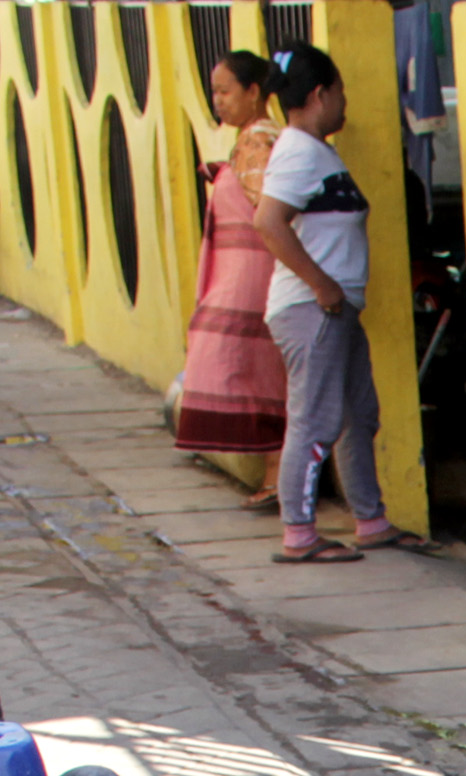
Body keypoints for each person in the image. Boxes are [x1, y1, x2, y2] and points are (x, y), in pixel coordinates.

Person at [253, 45, 416, 563]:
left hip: (333, 310)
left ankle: (371, 519)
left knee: (356, 414)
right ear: (321, 94)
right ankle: (299, 533)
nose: (346, 102)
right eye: (341, 91)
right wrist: (322, 285)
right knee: (316, 419)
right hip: (313, 309)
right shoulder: (299, 151)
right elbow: (268, 222)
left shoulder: (314, 150)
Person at [171, 49, 287, 498]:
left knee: (253, 370)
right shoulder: (253, 139)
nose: (217, 100)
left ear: (254, 92)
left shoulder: (259, 141)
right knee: (264, 374)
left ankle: (279, 477)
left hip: (255, 274)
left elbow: (267, 208)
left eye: (225, 91)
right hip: (251, 273)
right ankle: (274, 476)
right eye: (214, 92)